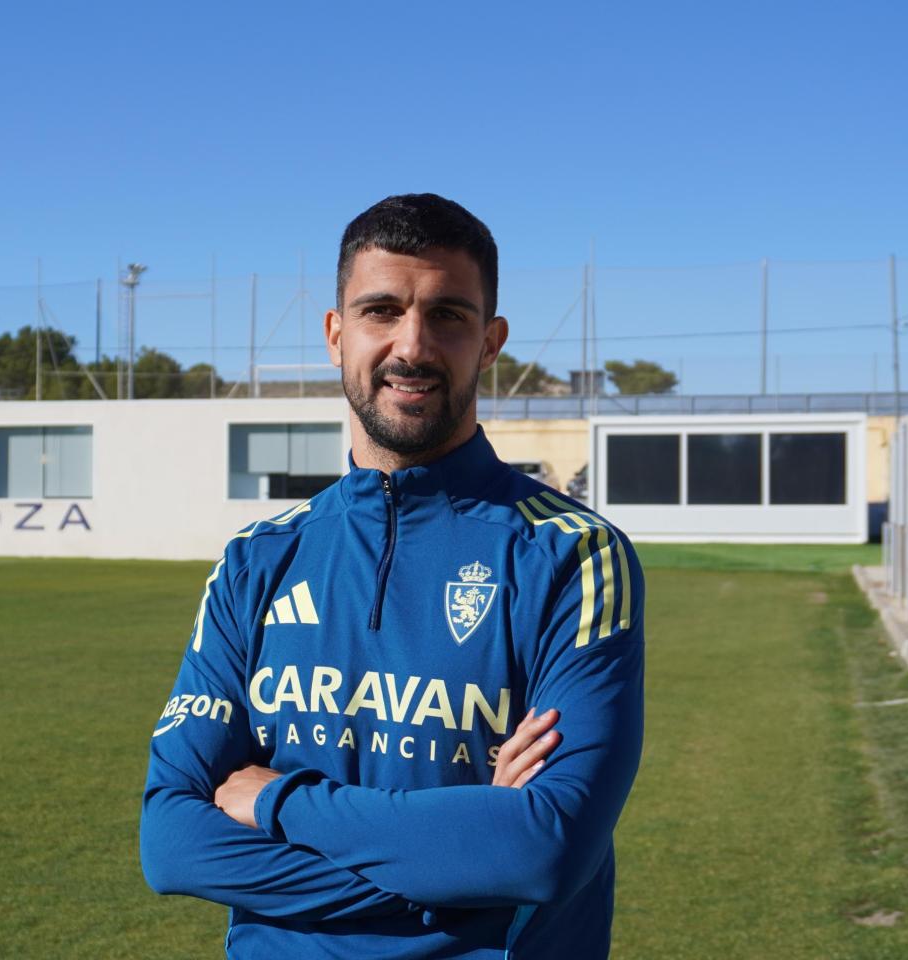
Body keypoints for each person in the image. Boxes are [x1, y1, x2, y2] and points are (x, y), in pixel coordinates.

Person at [139, 193, 646, 958]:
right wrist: (468, 859)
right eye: (381, 311)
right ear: (335, 334)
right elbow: (173, 843)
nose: (413, 346)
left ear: (490, 343)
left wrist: (277, 801)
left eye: (448, 315)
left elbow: (545, 849)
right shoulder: (257, 559)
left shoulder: (573, 556)